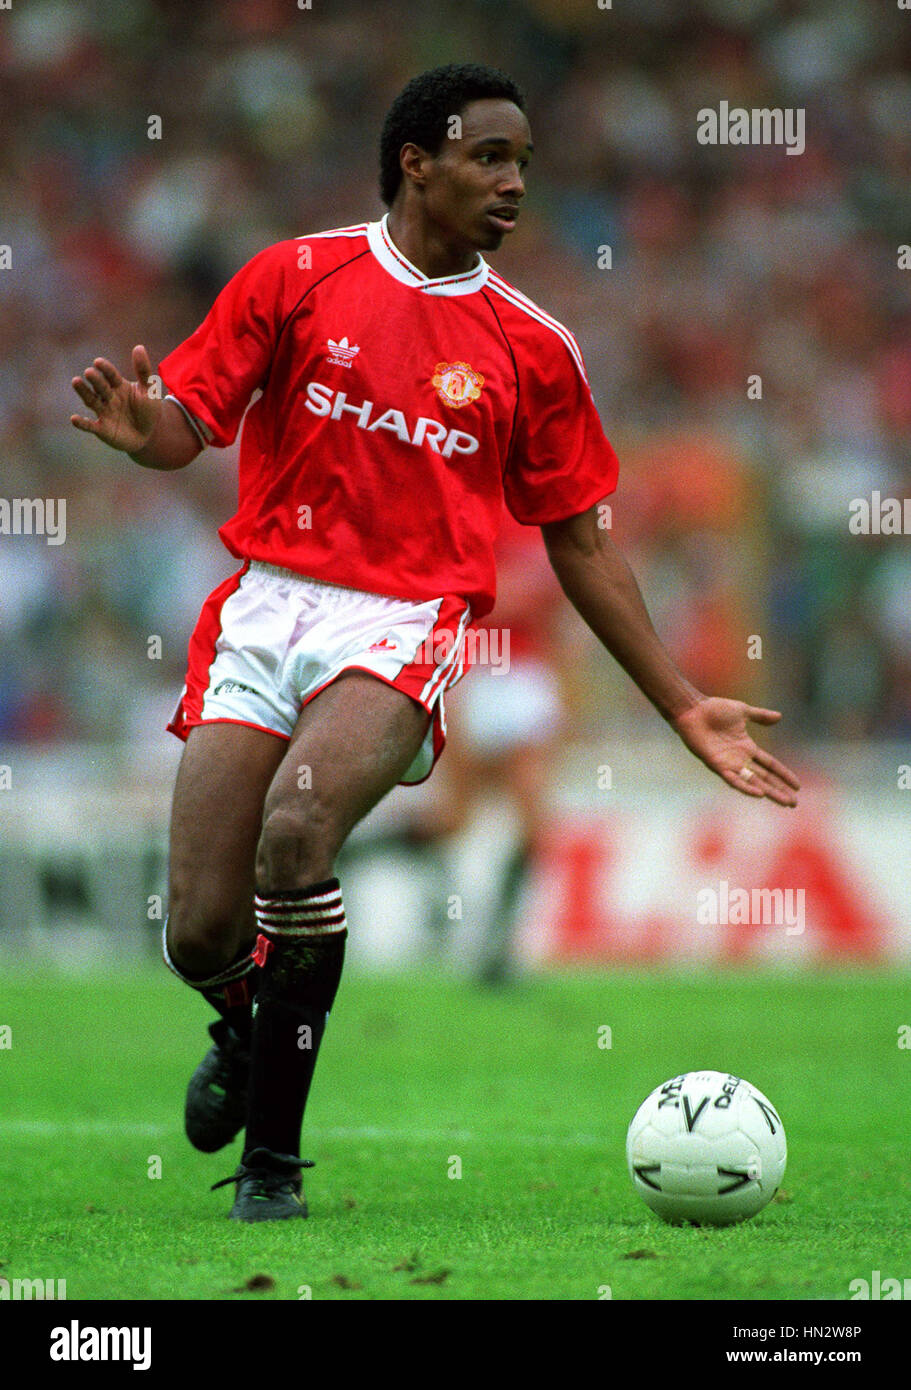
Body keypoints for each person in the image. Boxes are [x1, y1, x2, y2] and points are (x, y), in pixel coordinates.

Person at [70, 63, 800, 1223]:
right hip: (266, 606)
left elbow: (583, 544)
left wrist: (678, 702)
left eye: (521, 164)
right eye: (489, 158)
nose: (513, 183)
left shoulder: (530, 347)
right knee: (198, 926)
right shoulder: (296, 275)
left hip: (404, 622)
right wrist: (140, 429)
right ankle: (245, 1027)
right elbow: (186, 425)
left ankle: (271, 1164)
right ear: (416, 161)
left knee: (297, 832)